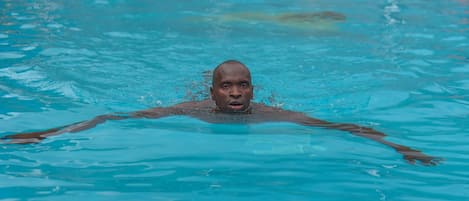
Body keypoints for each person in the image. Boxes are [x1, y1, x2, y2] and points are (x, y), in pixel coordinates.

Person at [1, 60, 441, 165]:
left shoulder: (270, 115)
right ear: (213, 92)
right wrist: (48, 134)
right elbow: (114, 118)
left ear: (253, 89)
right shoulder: (191, 110)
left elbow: (345, 127)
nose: (235, 93)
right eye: (226, 86)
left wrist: (401, 148)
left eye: (242, 85)